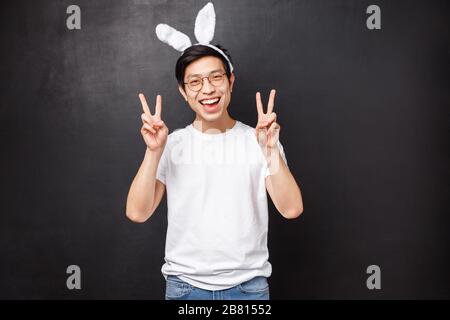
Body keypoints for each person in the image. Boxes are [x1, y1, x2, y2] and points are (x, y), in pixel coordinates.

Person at [126, 43, 304, 300]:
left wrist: (270, 150)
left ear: (230, 81)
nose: (208, 89)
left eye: (216, 77)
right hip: (185, 288)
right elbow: (137, 212)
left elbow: (291, 209)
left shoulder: (260, 141)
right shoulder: (171, 144)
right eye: (195, 82)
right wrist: (154, 151)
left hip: (249, 289)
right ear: (183, 92)